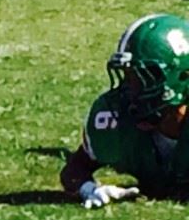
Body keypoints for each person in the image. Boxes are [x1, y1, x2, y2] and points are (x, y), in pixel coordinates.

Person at [60, 14, 189, 206]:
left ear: (182, 76)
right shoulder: (117, 118)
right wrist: (89, 189)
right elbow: (74, 170)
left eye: (143, 78)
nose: (132, 90)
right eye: (129, 77)